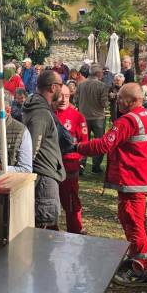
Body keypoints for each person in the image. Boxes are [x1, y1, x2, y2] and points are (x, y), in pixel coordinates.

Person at [74, 83, 147, 286]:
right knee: (130, 218)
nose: (117, 100)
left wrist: (77, 146)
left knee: (133, 222)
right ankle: (135, 259)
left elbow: (104, 144)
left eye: (121, 97)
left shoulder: (128, 121)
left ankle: (140, 270)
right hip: (142, 178)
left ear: (133, 101)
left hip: (132, 179)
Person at [21, 70, 66, 229]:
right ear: (53, 87)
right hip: (43, 180)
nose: (62, 88)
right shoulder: (40, 113)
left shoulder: (37, 108)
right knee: (46, 229)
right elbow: (31, 150)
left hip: (44, 176)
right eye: (60, 85)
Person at [53, 84, 88, 234]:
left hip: (69, 166)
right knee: (50, 200)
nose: (63, 99)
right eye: (60, 96)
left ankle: (75, 230)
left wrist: (76, 159)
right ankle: (49, 232)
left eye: (67, 96)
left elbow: (84, 143)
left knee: (71, 201)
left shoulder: (77, 116)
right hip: (50, 165)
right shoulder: (49, 114)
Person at [76, 64, 110, 174]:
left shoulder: (81, 85)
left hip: (83, 116)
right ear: (98, 74)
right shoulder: (102, 86)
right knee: (99, 142)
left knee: (83, 141)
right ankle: (96, 165)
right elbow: (104, 103)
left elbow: (76, 99)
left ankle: (81, 164)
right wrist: (111, 98)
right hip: (98, 117)